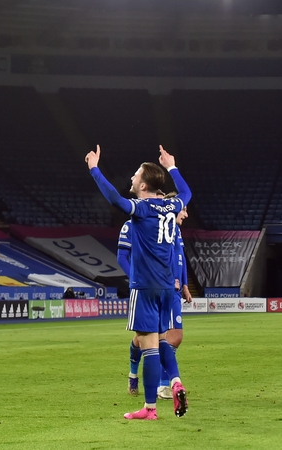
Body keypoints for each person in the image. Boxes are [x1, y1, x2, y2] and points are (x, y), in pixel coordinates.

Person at [86, 144, 191, 420]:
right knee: (163, 341)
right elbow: (187, 193)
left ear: (143, 185)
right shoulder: (172, 205)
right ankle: (176, 382)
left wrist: (95, 169)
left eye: (135, 175)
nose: (131, 178)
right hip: (169, 287)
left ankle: (150, 409)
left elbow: (114, 199)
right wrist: (172, 166)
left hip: (145, 286)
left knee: (149, 345)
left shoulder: (141, 209)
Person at [120, 196, 193, 401]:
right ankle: (139, 376)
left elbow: (178, 258)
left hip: (169, 289)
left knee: (169, 337)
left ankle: (164, 386)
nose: (185, 214)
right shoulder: (134, 223)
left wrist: (183, 283)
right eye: (184, 209)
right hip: (150, 287)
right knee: (147, 338)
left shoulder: (173, 229)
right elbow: (122, 256)